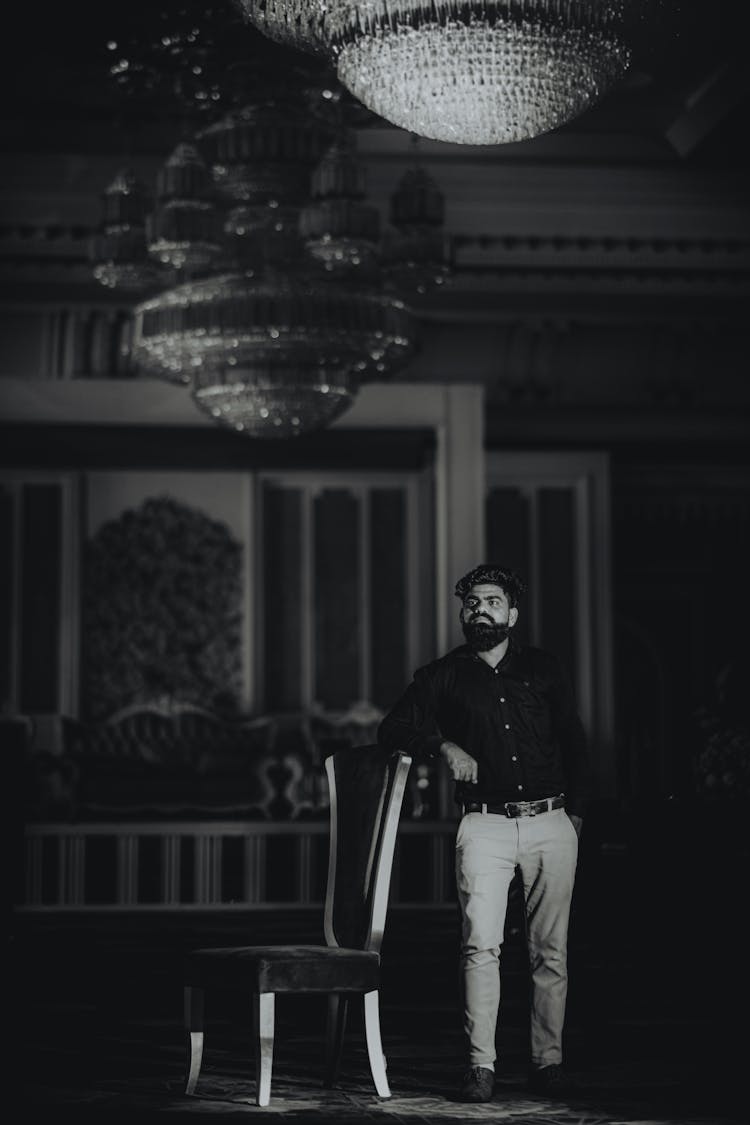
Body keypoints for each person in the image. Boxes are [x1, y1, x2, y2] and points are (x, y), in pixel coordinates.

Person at [377, 563, 592, 1103]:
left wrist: (577, 817)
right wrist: (443, 746)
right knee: (480, 947)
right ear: (463, 613)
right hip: (484, 826)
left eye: (492, 601)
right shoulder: (441, 676)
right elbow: (393, 729)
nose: (481, 609)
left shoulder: (543, 669)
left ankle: (548, 1063)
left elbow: (574, 740)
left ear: (512, 614)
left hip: (551, 821)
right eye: (473, 602)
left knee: (552, 952)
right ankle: (481, 1067)